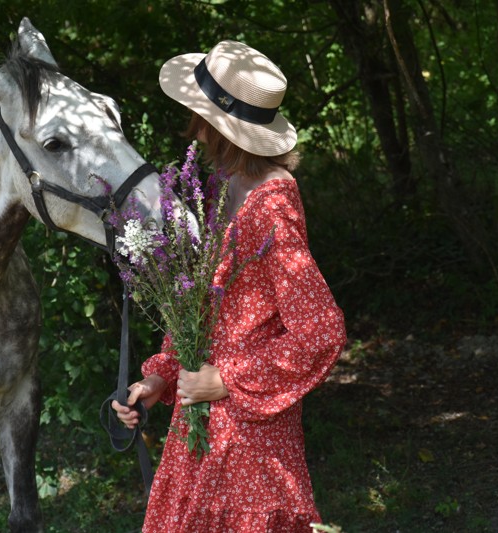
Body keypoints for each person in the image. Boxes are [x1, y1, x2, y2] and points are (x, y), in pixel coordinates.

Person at [112, 40, 348, 532]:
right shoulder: (224, 191)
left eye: (199, 116)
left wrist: (227, 380)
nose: (191, 127)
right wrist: (162, 378)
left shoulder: (271, 206)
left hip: (248, 450)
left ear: (221, 128)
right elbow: (212, 318)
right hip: (203, 439)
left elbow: (321, 331)